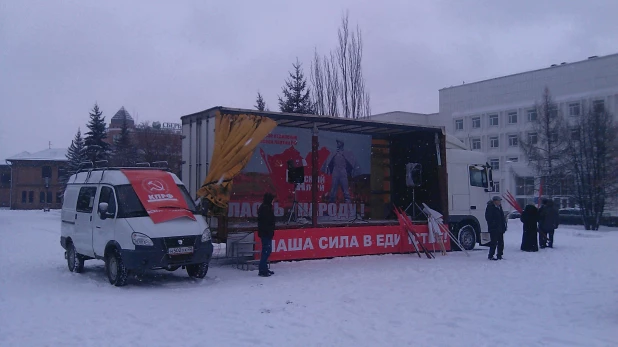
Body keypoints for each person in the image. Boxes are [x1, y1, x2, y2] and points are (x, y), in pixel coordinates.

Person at [321, 139, 360, 203]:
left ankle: (347, 202)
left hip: (343, 171)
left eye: (339, 143)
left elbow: (353, 162)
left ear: (342, 144)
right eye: (337, 143)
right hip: (335, 171)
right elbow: (327, 162)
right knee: (333, 188)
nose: (338, 144)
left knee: (345, 188)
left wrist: (354, 171)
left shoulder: (347, 153)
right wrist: (324, 169)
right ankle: (331, 202)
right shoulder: (334, 153)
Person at [257, 192, 276, 277]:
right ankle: (262, 270)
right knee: (266, 251)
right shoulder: (265, 208)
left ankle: (264, 268)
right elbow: (266, 222)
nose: (273, 201)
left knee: (267, 250)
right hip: (266, 233)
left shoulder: (266, 207)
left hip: (266, 232)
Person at [485, 196, 507, 260]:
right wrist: (493, 224)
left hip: (500, 228)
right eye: (498, 201)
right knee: (493, 242)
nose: (500, 202)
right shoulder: (490, 207)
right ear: (495, 201)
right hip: (494, 228)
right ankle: (491, 255)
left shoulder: (499, 208)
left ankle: (499, 255)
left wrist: (504, 226)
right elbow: (488, 218)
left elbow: (502, 218)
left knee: (501, 242)